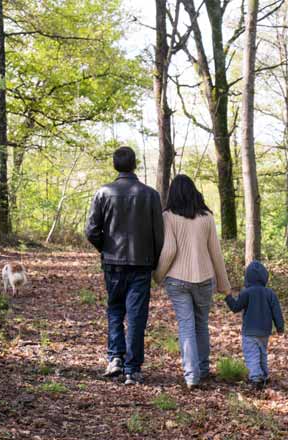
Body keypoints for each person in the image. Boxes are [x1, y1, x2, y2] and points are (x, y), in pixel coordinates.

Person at [85, 146, 164, 385]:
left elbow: (91, 230)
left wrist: (105, 247)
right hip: (141, 264)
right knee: (137, 315)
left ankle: (115, 359)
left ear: (115, 165)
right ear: (135, 164)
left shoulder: (103, 193)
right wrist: (154, 259)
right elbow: (159, 235)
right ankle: (132, 368)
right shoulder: (150, 195)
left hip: (113, 263)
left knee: (115, 310)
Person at [154, 175, 231, 389]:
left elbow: (169, 250)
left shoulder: (168, 216)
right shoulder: (207, 217)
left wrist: (157, 276)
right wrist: (225, 285)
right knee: (201, 324)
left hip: (177, 280)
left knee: (186, 326)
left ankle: (191, 375)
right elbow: (216, 253)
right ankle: (203, 368)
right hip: (204, 278)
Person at [225, 260, 284, 389]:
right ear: (265, 277)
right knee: (262, 353)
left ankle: (256, 378)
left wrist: (228, 297)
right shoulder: (270, 293)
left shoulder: (246, 292)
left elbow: (236, 307)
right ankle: (264, 375)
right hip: (264, 331)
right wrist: (280, 327)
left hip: (250, 331)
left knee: (251, 354)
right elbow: (277, 311)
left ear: (247, 277)